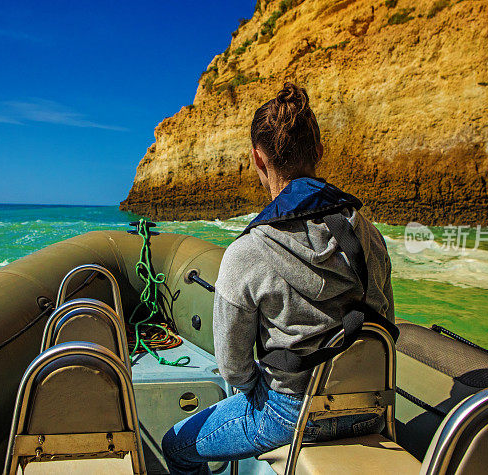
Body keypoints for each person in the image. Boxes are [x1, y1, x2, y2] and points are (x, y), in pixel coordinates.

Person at [161, 82, 395, 475]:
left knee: (176, 446)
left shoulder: (247, 253)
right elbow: (383, 322)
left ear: (257, 157)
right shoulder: (369, 234)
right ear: (318, 152)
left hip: (291, 413)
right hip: (370, 406)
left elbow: (234, 368)